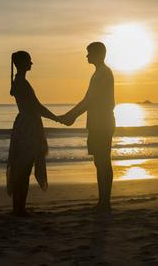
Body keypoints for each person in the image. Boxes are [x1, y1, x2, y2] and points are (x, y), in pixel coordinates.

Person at [7, 50, 64, 216]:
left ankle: (18, 207)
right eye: (29, 61)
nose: (31, 63)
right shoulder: (22, 83)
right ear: (23, 63)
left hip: (24, 125)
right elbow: (37, 107)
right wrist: (57, 118)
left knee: (22, 167)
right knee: (24, 169)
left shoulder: (19, 82)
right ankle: (19, 209)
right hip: (29, 127)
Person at [61, 42, 116, 213]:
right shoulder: (99, 74)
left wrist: (71, 116)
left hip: (102, 123)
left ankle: (105, 202)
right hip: (98, 123)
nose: (86, 56)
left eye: (89, 53)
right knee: (100, 162)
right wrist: (70, 115)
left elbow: (90, 101)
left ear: (98, 54)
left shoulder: (103, 74)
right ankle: (103, 201)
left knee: (103, 162)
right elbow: (87, 99)